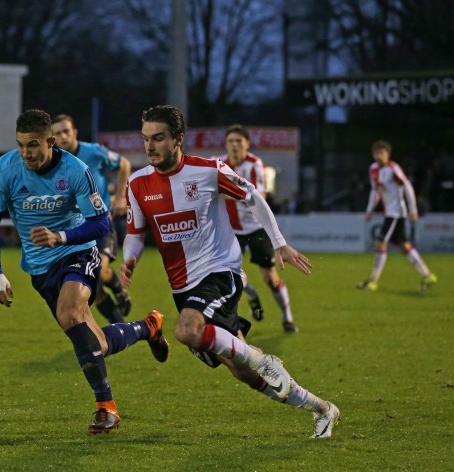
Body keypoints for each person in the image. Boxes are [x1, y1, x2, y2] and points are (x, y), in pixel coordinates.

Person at [120, 105, 340, 438]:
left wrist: (279, 242)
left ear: (178, 139)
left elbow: (252, 196)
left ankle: (263, 358)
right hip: (183, 287)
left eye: (159, 138)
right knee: (241, 371)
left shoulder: (208, 170)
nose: (150, 146)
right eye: (146, 139)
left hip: (220, 271)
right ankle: (321, 408)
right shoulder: (137, 184)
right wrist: (130, 260)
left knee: (186, 330)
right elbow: (135, 235)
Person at [0, 109, 169, 434]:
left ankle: (106, 407)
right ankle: (147, 328)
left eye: (34, 145)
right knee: (98, 343)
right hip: (40, 269)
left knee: (70, 312)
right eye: (21, 145)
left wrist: (61, 237)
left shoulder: (76, 170)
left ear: (50, 141)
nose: (26, 153)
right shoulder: (6, 168)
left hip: (78, 253)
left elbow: (100, 223)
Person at [215, 124, 298, 333]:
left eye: (238, 141)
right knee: (228, 276)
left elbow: (261, 197)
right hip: (230, 231)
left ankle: (287, 317)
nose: (234, 145)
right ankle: (251, 295)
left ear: (247, 143)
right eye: (230, 141)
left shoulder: (255, 164)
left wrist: (228, 194)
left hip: (255, 228)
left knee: (270, 277)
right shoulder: (218, 165)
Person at [51, 114, 133, 323]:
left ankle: (117, 288)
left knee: (97, 272)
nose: (63, 136)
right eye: (58, 133)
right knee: (91, 286)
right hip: (77, 230)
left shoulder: (93, 152)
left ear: (75, 132)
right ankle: (121, 327)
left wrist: (121, 196)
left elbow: (123, 164)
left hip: (101, 222)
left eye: (66, 131)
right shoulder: (54, 164)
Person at [357, 140, 437, 291]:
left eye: (382, 152)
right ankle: (428, 275)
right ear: (373, 155)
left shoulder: (393, 168)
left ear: (388, 154)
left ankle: (372, 282)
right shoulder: (373, 169)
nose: (379, 155)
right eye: (376, 153)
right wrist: (369, 209)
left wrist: (413, 211)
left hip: (396, 213)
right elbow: (375, 191)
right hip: (390, 212)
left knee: (380, 243)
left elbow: (407, 187)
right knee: (403, 246)